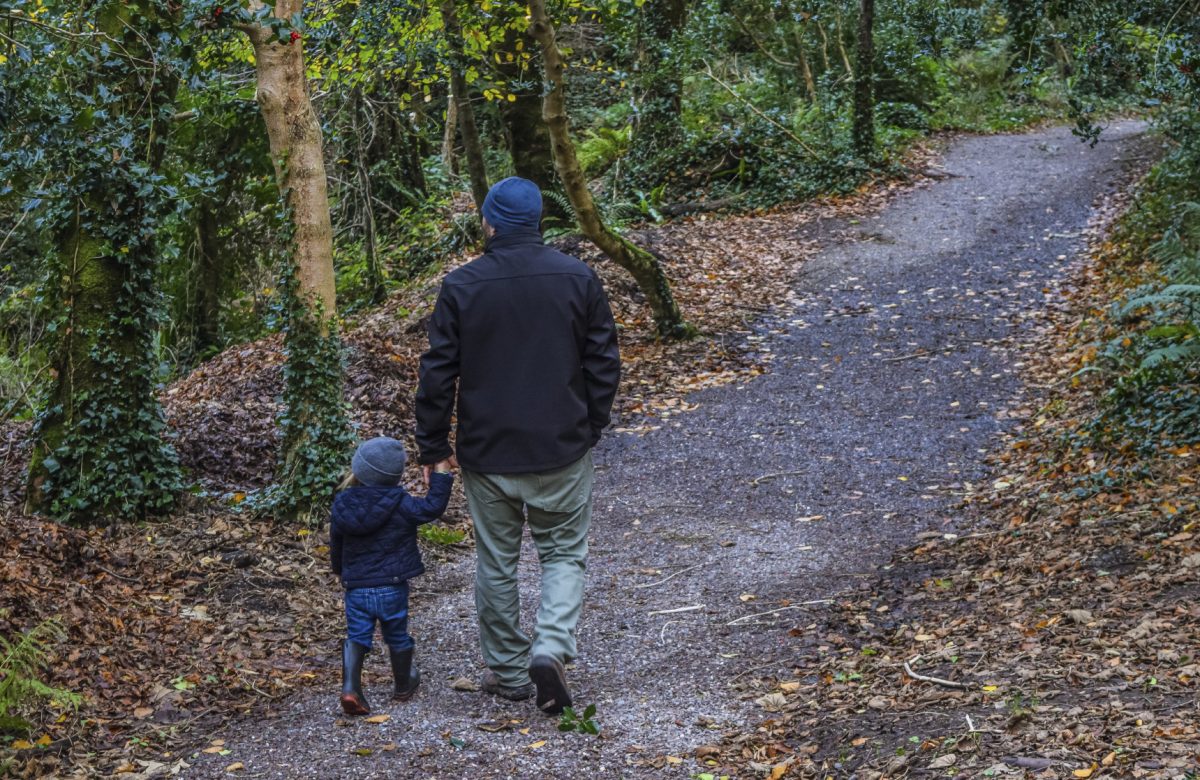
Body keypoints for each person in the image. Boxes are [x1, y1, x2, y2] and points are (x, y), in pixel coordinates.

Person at [415, 176, 621, 714]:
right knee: (563, 555)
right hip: (561, 447)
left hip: (488, 451)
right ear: (538, 223)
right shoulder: (578, 278)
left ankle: (509, 674)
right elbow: (603, 362)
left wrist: (433, 446)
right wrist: (590, 424)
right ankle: (551, 647)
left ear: (489, 222)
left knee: (496, 562)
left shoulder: (462, 286)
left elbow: (437, 373)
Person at [329, 436, 454, 716]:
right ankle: (403, 683)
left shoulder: (342, 504)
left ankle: (351, 687)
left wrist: (340, 571)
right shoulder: (402, 503)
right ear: (394, 475)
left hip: (356, 588)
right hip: (392, 587)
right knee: (396, 634)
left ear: (358, 469)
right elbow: (432, 507)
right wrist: (442, 472)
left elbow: (336, 543)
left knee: (358, 635)